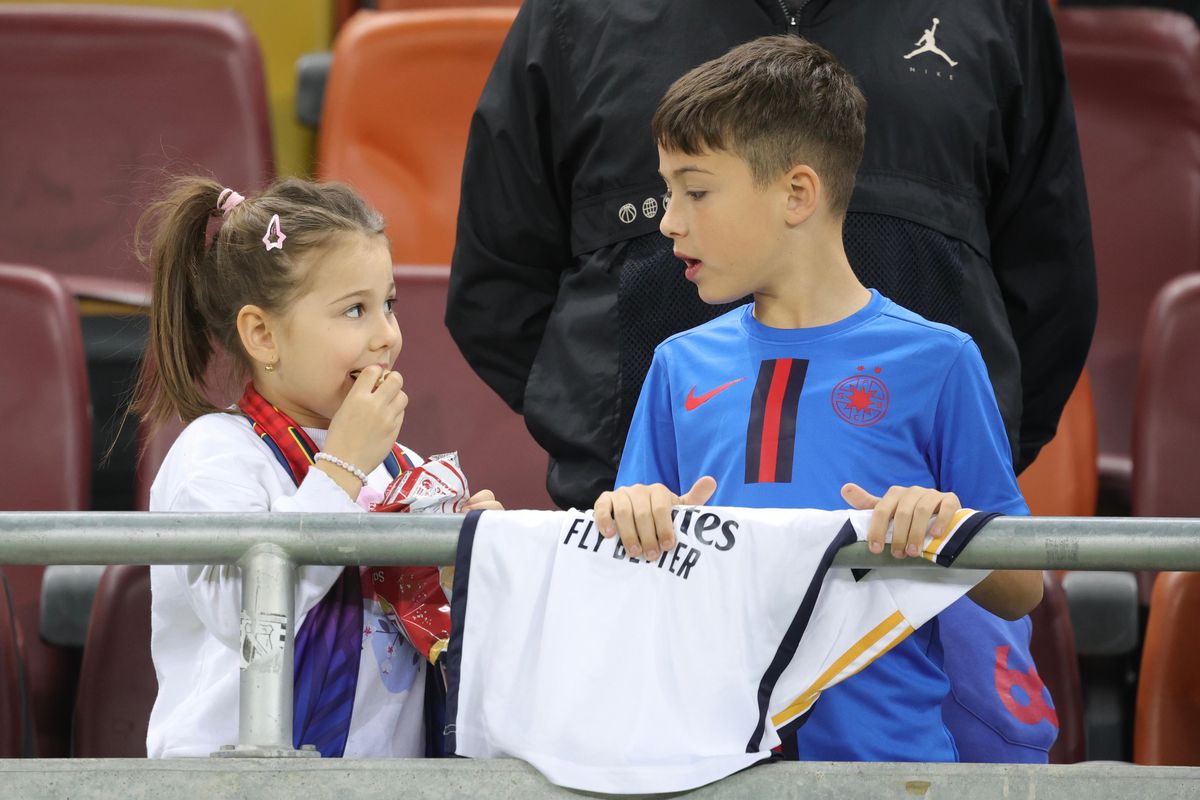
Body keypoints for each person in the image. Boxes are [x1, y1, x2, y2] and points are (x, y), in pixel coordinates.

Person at [448, 0, 1095, 517]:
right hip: (643, 538)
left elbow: (1051, 285)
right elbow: (497, 282)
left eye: (696, 191)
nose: (674, 222)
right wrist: (608, 449)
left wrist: (961, 461)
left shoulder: (999, 11)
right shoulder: (574, 14)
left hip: (916, 551)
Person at [592, 37, 1044, 762]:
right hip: (708, 764)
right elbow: (628, 586)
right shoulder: (677, 365)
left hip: (891, 768)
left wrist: (947, 531)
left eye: (695, 191)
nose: (669, 220)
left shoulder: (939, 360)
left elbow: (1021, 591)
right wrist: (630, 518)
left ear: (797, 194)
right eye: (668, 191)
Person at [135, 177, 501, 758]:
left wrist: (474, 565)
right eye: (354, 310)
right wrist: (342, 467)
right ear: (263, 335)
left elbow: (445, 641)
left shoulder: (400, 468)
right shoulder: (213, 454)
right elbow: (244, 618)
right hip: (236, 788)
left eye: (388, 305)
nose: (386, 337)